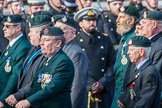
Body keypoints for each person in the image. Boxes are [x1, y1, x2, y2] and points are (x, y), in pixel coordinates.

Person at [15, 27, 74, 108]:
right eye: (41, 40)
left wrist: (29, 101)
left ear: (58, 43)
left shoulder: (63, 62)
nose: (41, 43)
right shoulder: (47, 59)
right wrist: (17, 96)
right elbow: (35, 83)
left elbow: (52, 88)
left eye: (46, 40)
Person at [5, 15, 52, 107]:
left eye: (31, 32)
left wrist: (19, 95)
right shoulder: (34, 49)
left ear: (41, 33)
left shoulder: (47, 54)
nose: (29, 34)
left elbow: (39, 81)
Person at [74, 7, 115, 108]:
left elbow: (113, 63)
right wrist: (90, 84)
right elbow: (75, 67)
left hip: (103, 90)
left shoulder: (105, 39)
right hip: (83, 89)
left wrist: (102, 82)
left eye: (94, 20)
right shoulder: (75, 41)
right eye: (88, 20)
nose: (92, 22)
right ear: (80, 23)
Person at [54, 14, 88, 108]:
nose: (57, 32)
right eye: (56, 28)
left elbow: (77, 86)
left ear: (72, 34)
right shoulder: (58, 50)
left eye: (62, 29)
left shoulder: (76, 53)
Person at [118, 36, 161, 108]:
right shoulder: (137, 68)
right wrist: (124, 99)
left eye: (131, 50)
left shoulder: (150, 73)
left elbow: (144, 103)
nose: (128, 53)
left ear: (141, 51)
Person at [111, 5, 140, 108]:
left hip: (127, 92)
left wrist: (126, 95)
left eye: (121, 17)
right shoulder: (125, 37)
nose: (117, 20)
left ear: (131, 20)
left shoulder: (135, 39)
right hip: (119, 89)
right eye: (117, 17)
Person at [0, 14, 31, 108]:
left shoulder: (23, 46)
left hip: (9, 99)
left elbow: (15, 75)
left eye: (7, 26)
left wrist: (2, 99)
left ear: (18, 28)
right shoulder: (12, 44)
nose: (4, 29)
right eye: (4, 26)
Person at [139, 10, 162, 106]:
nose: (141, 26)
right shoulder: (151, 42)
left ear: (153, 25)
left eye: (144, 23)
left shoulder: (160, 45)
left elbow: (153, 76)